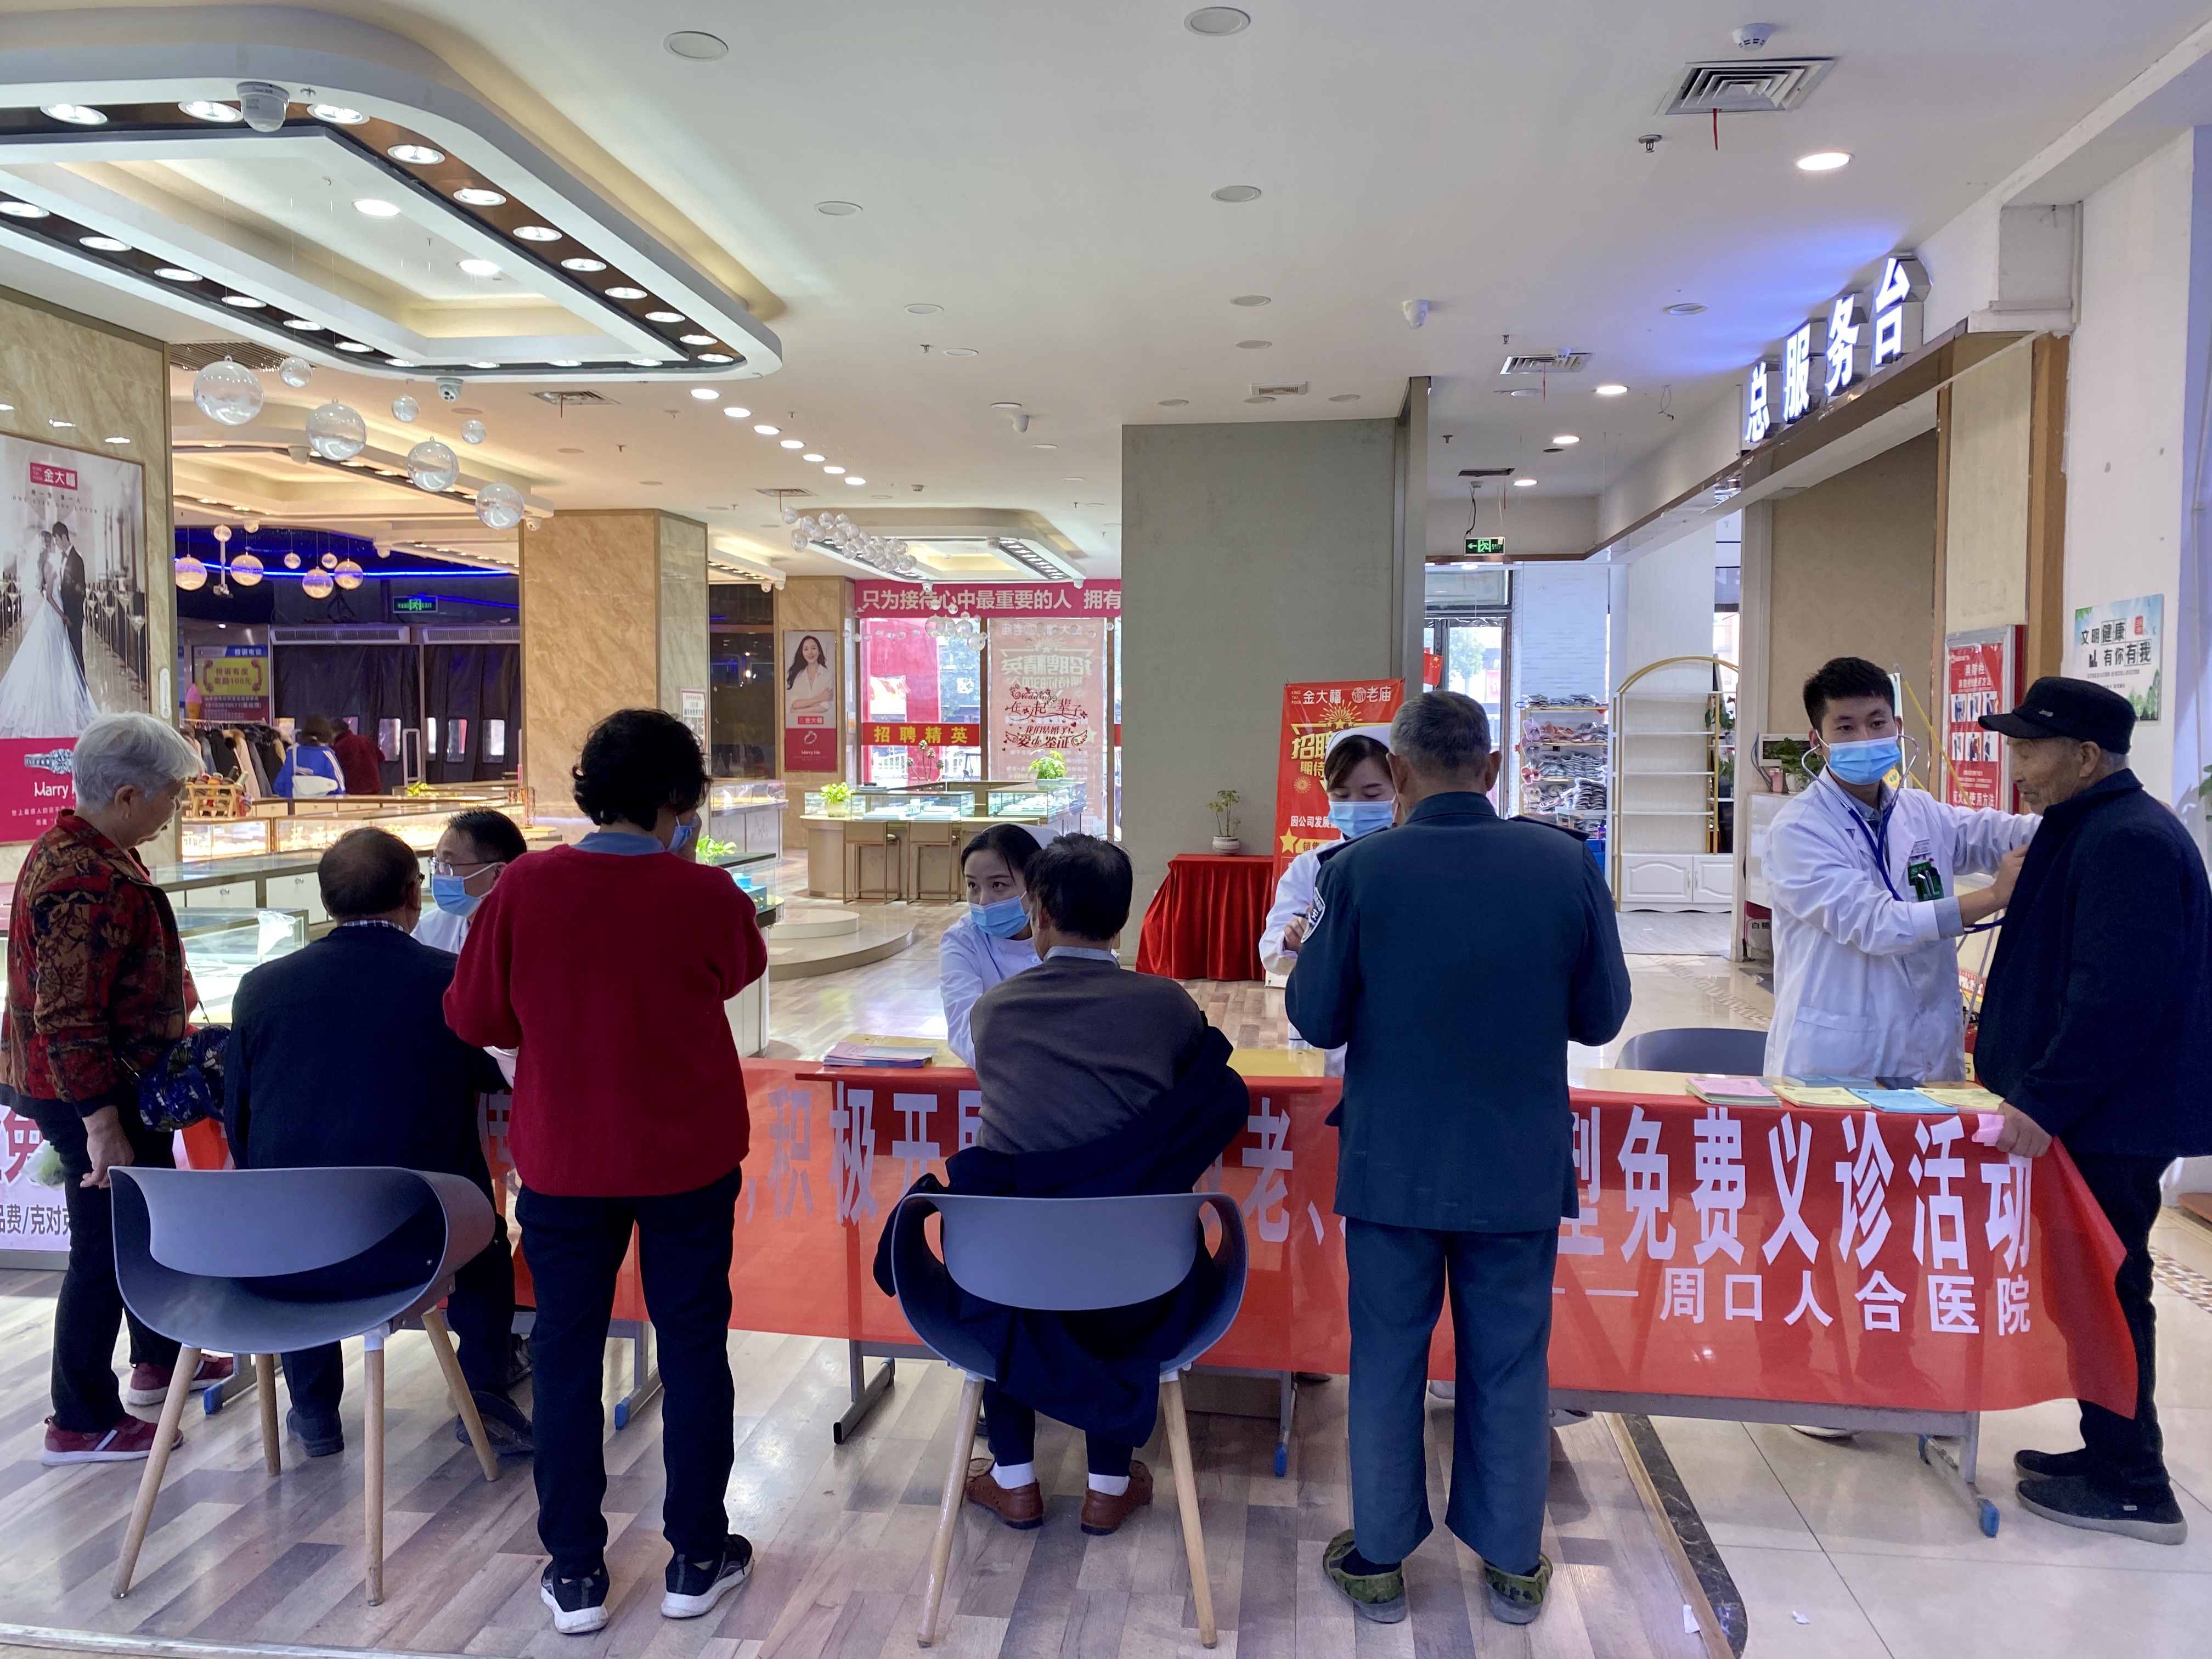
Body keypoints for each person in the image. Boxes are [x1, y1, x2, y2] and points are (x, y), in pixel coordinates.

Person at [1286, 691, 1630, 1628]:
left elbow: (1316, 1016)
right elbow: (1601, 1015)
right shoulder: (1564, 863)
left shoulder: (1358, 870)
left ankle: (1379, 1558)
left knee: (1387, 1358)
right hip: (1516, 1162)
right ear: (1493, 767)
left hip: (1392, 1163)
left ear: (1396, 774)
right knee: (1511, 1362)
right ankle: (1514, 1562)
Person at [447, 708, 766, 1635]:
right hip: (689, 1157)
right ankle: (696, 1556)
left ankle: (577, 1570)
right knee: (695, 1347)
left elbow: (477, 1017)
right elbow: (737, 970)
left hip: (566, 1158)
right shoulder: (707, 892)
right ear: (682, 798)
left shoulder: (524, 887)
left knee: (563, 1352)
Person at [1970, 677, 2212, 1546]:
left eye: (2029, 748)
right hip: (2096, 1112)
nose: (2016, 764)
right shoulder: (2091, 825)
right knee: (2090, 1289)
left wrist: (2045, 1097)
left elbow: (2114, 997)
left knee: (2109, 1289)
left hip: (2111, 1117)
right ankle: (2108, 1446)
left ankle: (2136, 1484)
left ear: (2083, 757)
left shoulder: (2128, 840)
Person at [959, 833, 1242, 1536]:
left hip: (1013, 1272)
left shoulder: (994, 1012)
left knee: (1006, 1277)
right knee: (1116, 1267)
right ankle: (1109, 1487)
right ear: (1122, 921)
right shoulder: (1168, 1007)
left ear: (1039, 913)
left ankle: (1014, 1481)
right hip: (1142, 1273)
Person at [223, 828, 527, 1458]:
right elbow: (493, 1070)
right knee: (487, 1244)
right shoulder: (448, 979)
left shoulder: (261, 987)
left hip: (296, 1240)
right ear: (414, 895)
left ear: (325, 899)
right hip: (423, 1233)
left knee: (299, 1227)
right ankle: (483, 1390)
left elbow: (240, 1123)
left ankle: (315, 1412)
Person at [1, 713, 233, 1464]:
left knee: (142, 1226)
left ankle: (158, 1358)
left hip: (117, 1084)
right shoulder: (82, 878)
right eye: (171, 794)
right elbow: (67, 1014)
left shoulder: (94, 850)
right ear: (128, 795)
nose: (176, 807)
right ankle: (79, 1418)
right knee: (103, 1248)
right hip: (93, 1092)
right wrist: (99, 1122)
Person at [1764, 657, 2035, 1083]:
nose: (1865, 738)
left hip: (1930, 1054)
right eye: (1846, 728)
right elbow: (1876, 924)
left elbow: (1997, 834)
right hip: (1839, 1063)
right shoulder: (1798, 830)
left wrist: (2095, 817)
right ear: (1818, 741)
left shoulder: (1919, 811)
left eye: (1877, 723)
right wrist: (1994, 897)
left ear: (1898, 724)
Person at [1259, 729, 1396, 1072]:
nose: (1356, 806)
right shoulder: (1311, 866)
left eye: (1372, 794)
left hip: (1394, 1021)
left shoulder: (1411, 861)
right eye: (1342, 795)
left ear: (1400, 786)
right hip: (1326, 1026)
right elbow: (1270, 950)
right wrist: (1293, 940)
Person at [938, 822, 1045, 1064]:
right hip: (1001, 1073)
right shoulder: (962, 941)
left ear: (1035, 886)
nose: (983, 901)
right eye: (973, 886)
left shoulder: (1064, 931)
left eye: (998, 885)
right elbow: (966, 1033)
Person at [0, 533, 97, 739]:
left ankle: (59, 692)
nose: (55, 546)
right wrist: (62, 615)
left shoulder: (47, 566)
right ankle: (54, 696)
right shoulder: (51, 567)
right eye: (53, 543)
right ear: (49, 547)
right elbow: (50, 596)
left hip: (53, 613)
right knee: (55, 655)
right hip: (54, 613)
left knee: (54, 654)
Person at [415, 808, 529, 953]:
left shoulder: (533, 936)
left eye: (448, 865)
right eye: (437, 863)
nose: (438, 874)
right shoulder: (429, 930)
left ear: (498, 873)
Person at [275, 715, 346, 799]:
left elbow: (279, 786)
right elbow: (340, 788)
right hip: (322, 805)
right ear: (326, 734)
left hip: (296, 805)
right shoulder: (327, 755)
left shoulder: (293, 753)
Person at [330, 717, 386, 797]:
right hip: (374, 787)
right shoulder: (365, 740)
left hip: (353, 791)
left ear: (334, 732)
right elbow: (381, 758)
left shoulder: (338, 747)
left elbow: (334, 770)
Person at [785, 634, 833, 722]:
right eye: (806, 649)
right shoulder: (799, 676)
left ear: (819, 651)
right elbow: (795, 704)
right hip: (800, 724)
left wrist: (799, 711)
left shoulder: (828, 675)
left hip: (823, 724)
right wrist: (820, 698)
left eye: (813, 648)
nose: (810, 652)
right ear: (802, 653)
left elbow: (825, 707)